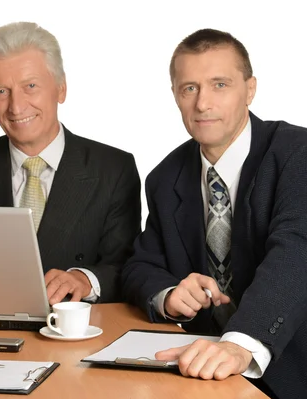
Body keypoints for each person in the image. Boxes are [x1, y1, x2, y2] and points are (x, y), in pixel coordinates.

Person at [121, 28, 307, 399]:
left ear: (250, 89)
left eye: (219, 84)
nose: (202, 103)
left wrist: (240, 344)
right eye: (189, 88)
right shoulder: (165, 177)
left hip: (289, 362)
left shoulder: (296, 153)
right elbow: (141, 264)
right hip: (201, 371)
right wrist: (171, 295)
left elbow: (297, 249)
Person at [0, 22, 141, 305]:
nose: (16, 107)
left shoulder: (114, 169)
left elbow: (129, 268)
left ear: (61, 88)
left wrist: (85, 279)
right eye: (1, 92)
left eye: (30, 86)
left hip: (77, 334)